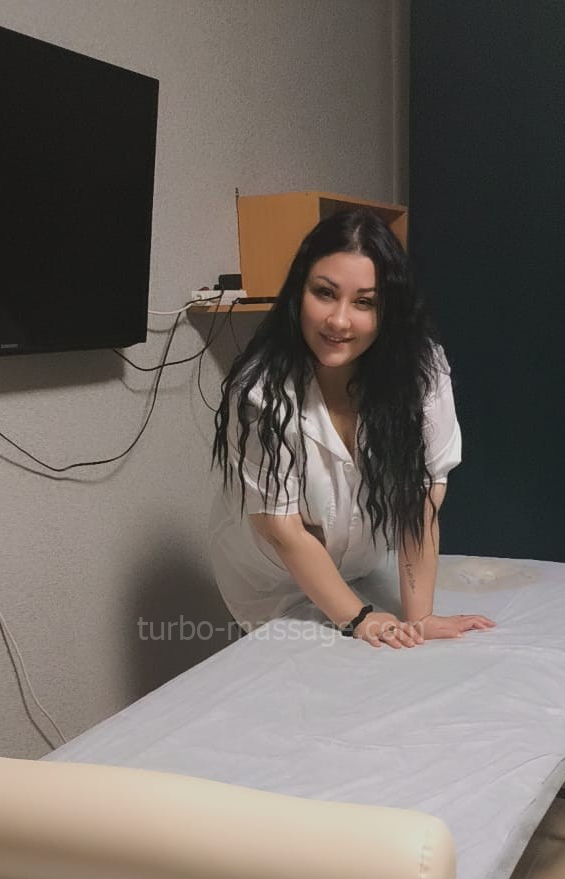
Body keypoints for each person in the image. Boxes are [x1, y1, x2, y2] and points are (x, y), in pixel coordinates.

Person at [209, 210, 494, 648]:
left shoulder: (422, 372)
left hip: (357, 567)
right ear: (299, 291)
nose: (339, 321)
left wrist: (420, 617)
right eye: (325, 293)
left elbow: (420, 502)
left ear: (388, 310)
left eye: (364, 302)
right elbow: (283, 529)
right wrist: (359, 617)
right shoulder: (261, 393)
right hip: (273, 581)